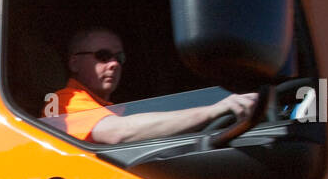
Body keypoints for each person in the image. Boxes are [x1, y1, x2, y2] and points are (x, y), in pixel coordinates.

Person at [46, 27, 259, 144]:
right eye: (103, 56)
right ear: (74, 62)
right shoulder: (65, 101)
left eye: (119, 57)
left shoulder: (106, 107)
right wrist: (214, 110)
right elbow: (117, 132)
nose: (113, 64)